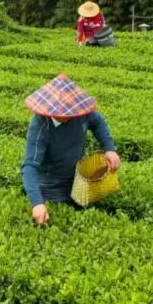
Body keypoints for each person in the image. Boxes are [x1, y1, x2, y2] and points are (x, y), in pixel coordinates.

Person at [21, 74, 121, 225]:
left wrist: (109, 148)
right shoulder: (40, 126)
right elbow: (30, 166)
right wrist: (37, 203)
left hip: (77, 181)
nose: (67, 115)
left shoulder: (80, 112)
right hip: (50, 187)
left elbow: (98, 122)